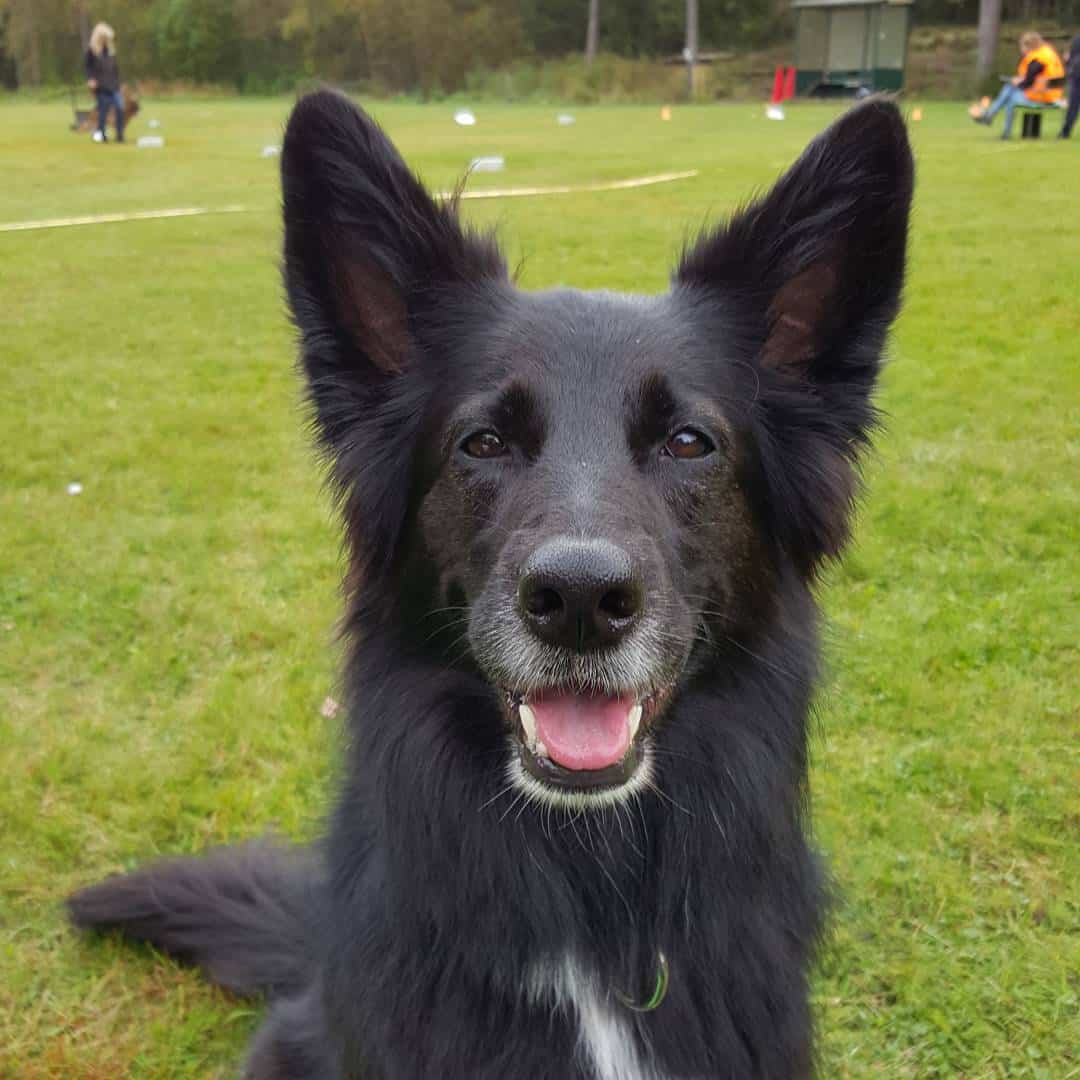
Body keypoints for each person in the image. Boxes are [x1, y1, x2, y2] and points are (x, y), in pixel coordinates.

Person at [971, 31, 1065, 139]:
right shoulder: (1047, 53)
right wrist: (1019, 81)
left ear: (1029, 46)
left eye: (1022, 46)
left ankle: (992, 119)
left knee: (1009, 93)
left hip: (1043, 96)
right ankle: (990, 116)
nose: (1021, 49)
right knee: (1009, 89)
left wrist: (1017, 82)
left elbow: (1027, 83)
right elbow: (1038, 77)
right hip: (1054, 93)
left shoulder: (1037, 60)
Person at [84, 23, 124, 144]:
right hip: (101, 86)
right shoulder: (91, 51)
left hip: (114, 85)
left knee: (119, 107)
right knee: (103, 111)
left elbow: (115, 68)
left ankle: (120, 135)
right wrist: (90, 80)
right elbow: (87, 67)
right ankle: (101, 135)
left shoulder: (110, 51)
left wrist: (118, 83)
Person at [1060, 34, 1080, 139]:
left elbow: (1070, 58)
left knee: (1073, 106)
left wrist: (1068, 64)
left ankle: (1065, 132)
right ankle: (1065, 131)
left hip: (1076, 75)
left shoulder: (1077, 39)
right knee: (1073, 106)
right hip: (1076, 74)